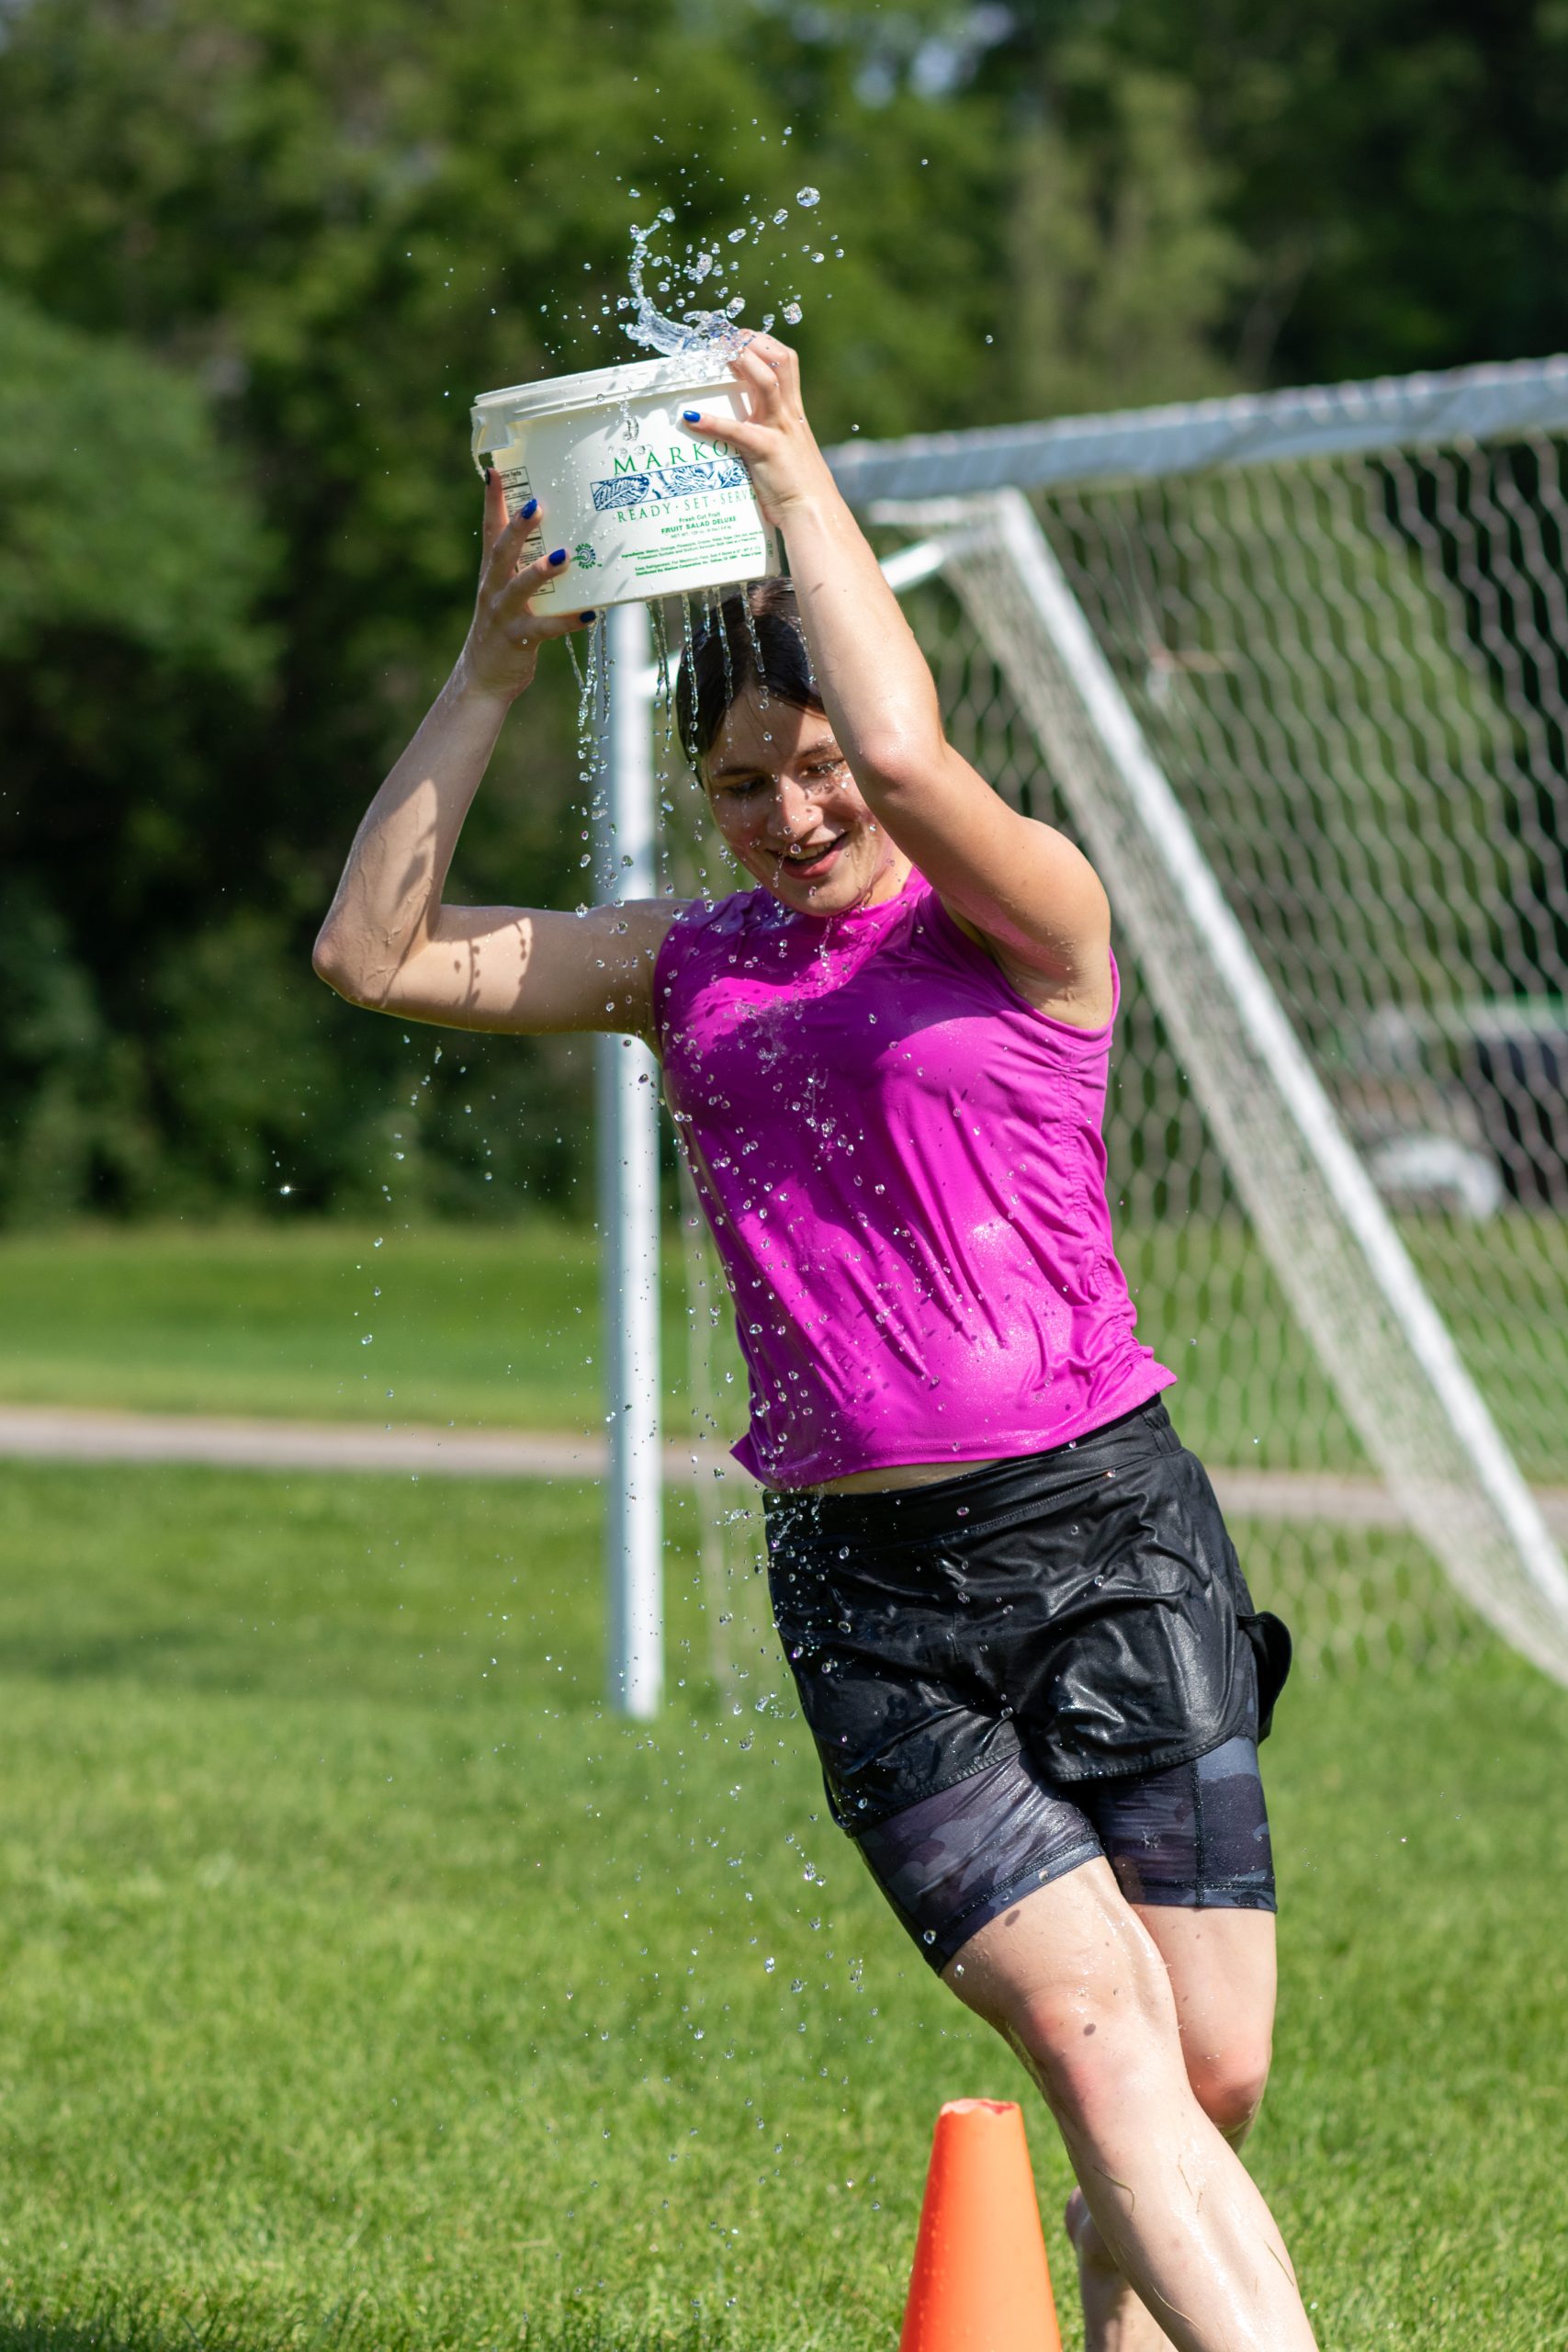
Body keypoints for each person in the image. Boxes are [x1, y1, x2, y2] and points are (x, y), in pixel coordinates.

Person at [312, 332, 1314, 2352]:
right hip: (872, 1590)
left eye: (818, 763)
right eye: (742, 782)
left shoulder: (1026, 924)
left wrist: (790, 474)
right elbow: (374, 950)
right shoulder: (688, 967)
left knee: (1203, 2072)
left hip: (1105, 1532)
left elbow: (922, 768)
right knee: (1095, 2034)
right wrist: (492, 665)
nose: (792, 809)